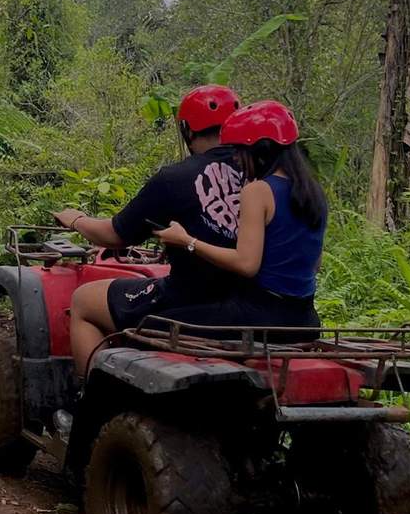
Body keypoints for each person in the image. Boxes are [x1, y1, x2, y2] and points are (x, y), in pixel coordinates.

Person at [52, 85, 245, 379]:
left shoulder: (174, 178)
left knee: (83, 300)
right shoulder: (265, 176)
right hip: (251, 305)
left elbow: (114, 234)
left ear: (188, 131)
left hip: (187, 302)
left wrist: (76, 219)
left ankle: (95, 402)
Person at [152, 100, 327, 339]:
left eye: (239, 151)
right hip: (305, 319)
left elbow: (246, 264)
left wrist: (187, 241)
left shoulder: (258, 191)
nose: (235, 159)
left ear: (259, 151)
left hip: (259, 317)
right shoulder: (314, 192)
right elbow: (315, 264)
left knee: (152, 324)